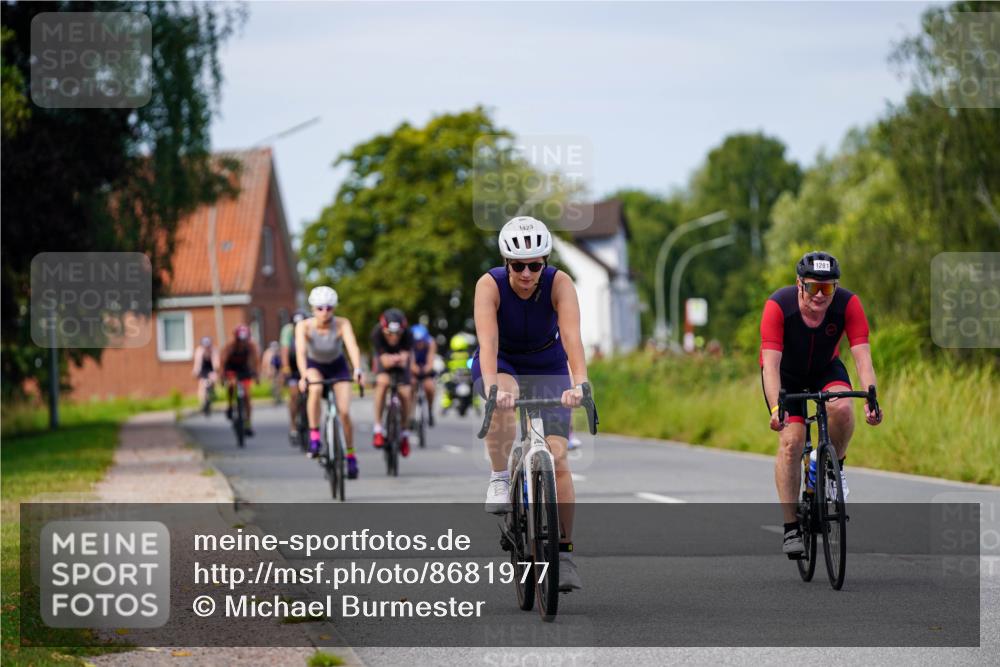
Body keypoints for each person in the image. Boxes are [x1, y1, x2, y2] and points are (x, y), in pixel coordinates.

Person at [472, 215, 589, 592]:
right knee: (502, 402)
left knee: (559, 460)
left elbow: (571, 337)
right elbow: (488, 343)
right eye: (519, 266)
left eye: (535, 266)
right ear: (507, 263)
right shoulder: (489, 285)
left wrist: (580, 383)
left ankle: (564, 554)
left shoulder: (560, 283)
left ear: (545, 263)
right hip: (502, 361)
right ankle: (499, 477)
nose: (526, 274)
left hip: (547, 363)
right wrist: (494, 389)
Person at [760, 251, 883, 556]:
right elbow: (770, 366)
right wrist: (776, 408)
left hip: (825, 368)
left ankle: (833, 467)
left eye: (827, 288)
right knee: (792, 441)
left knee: (842, 407)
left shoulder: (848, 304)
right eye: (813, 287)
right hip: (786, 375)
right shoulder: (779, 305)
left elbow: (863, 358)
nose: (820, 295)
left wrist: (871, 398)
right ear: (799, 284)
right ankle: (791, 527)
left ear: (835, 288)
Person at [296, 287, 364, 474]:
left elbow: (352, 347)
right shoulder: (304, 326)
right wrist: (303, 375)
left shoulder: (342, 323)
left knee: (344, 412)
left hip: (337, 366)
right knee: (315, 389)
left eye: (329, 308)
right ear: (312, 309)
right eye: (320, 308)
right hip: (315, 366)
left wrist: (358, 369)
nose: (324, 312)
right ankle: (314, 436)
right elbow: (301, 352)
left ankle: (350, 455)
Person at [370, 308, 413, 457]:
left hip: (401, 366)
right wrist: (395, 359)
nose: (394, 337)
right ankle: (378, 428)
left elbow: (405, 359)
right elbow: (384, 362)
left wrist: (399, 359)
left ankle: (405, 432)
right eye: (389, 333)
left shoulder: (408, 334)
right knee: (382, 383)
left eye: (397, 334)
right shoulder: (376, 333)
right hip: (384, 363)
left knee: (406, 393)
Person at [220, 324, 259, 436]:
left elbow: (255, 361)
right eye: (240, 340)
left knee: (247, 395)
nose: (242, 343)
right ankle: (230, 406)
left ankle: (247, 423)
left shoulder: (251, 346)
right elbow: (223, 361)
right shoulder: (230, 346)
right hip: (231, 369)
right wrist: (222, 375)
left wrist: (256, 374)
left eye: (244, 340)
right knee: (231, 385)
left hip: (244, 370)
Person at [280, 310, 308, 441]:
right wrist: (286, 368)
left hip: (307, 366)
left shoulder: (310, 329)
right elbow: (284, 351)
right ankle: (293, 426)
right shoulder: (287, 331)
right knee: (294, 396)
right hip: (293, 366)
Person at [409, 323, 438, 428]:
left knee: (430, 387)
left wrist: (426, 369)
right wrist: (414, 369)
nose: (419, 344)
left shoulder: (431, 343)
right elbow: (411, 362)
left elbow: (431, 360)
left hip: (425, 369)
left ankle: (430, 409)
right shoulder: (409, 345)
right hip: (413, 369)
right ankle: (410, 415)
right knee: (411, 385)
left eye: (421, 342)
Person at [191, 336, 219, 409]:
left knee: (213, 380)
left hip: (211, 369)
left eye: (208, 346)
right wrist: (195, 372)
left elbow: (216, 362)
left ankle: (212, 392)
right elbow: (197, 363)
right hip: (203, 370)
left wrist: (217, 369)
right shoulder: (199, 351)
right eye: (205, 346)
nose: (207, 348)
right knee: (202, 385)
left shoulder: (214, 350)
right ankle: (202, 403)